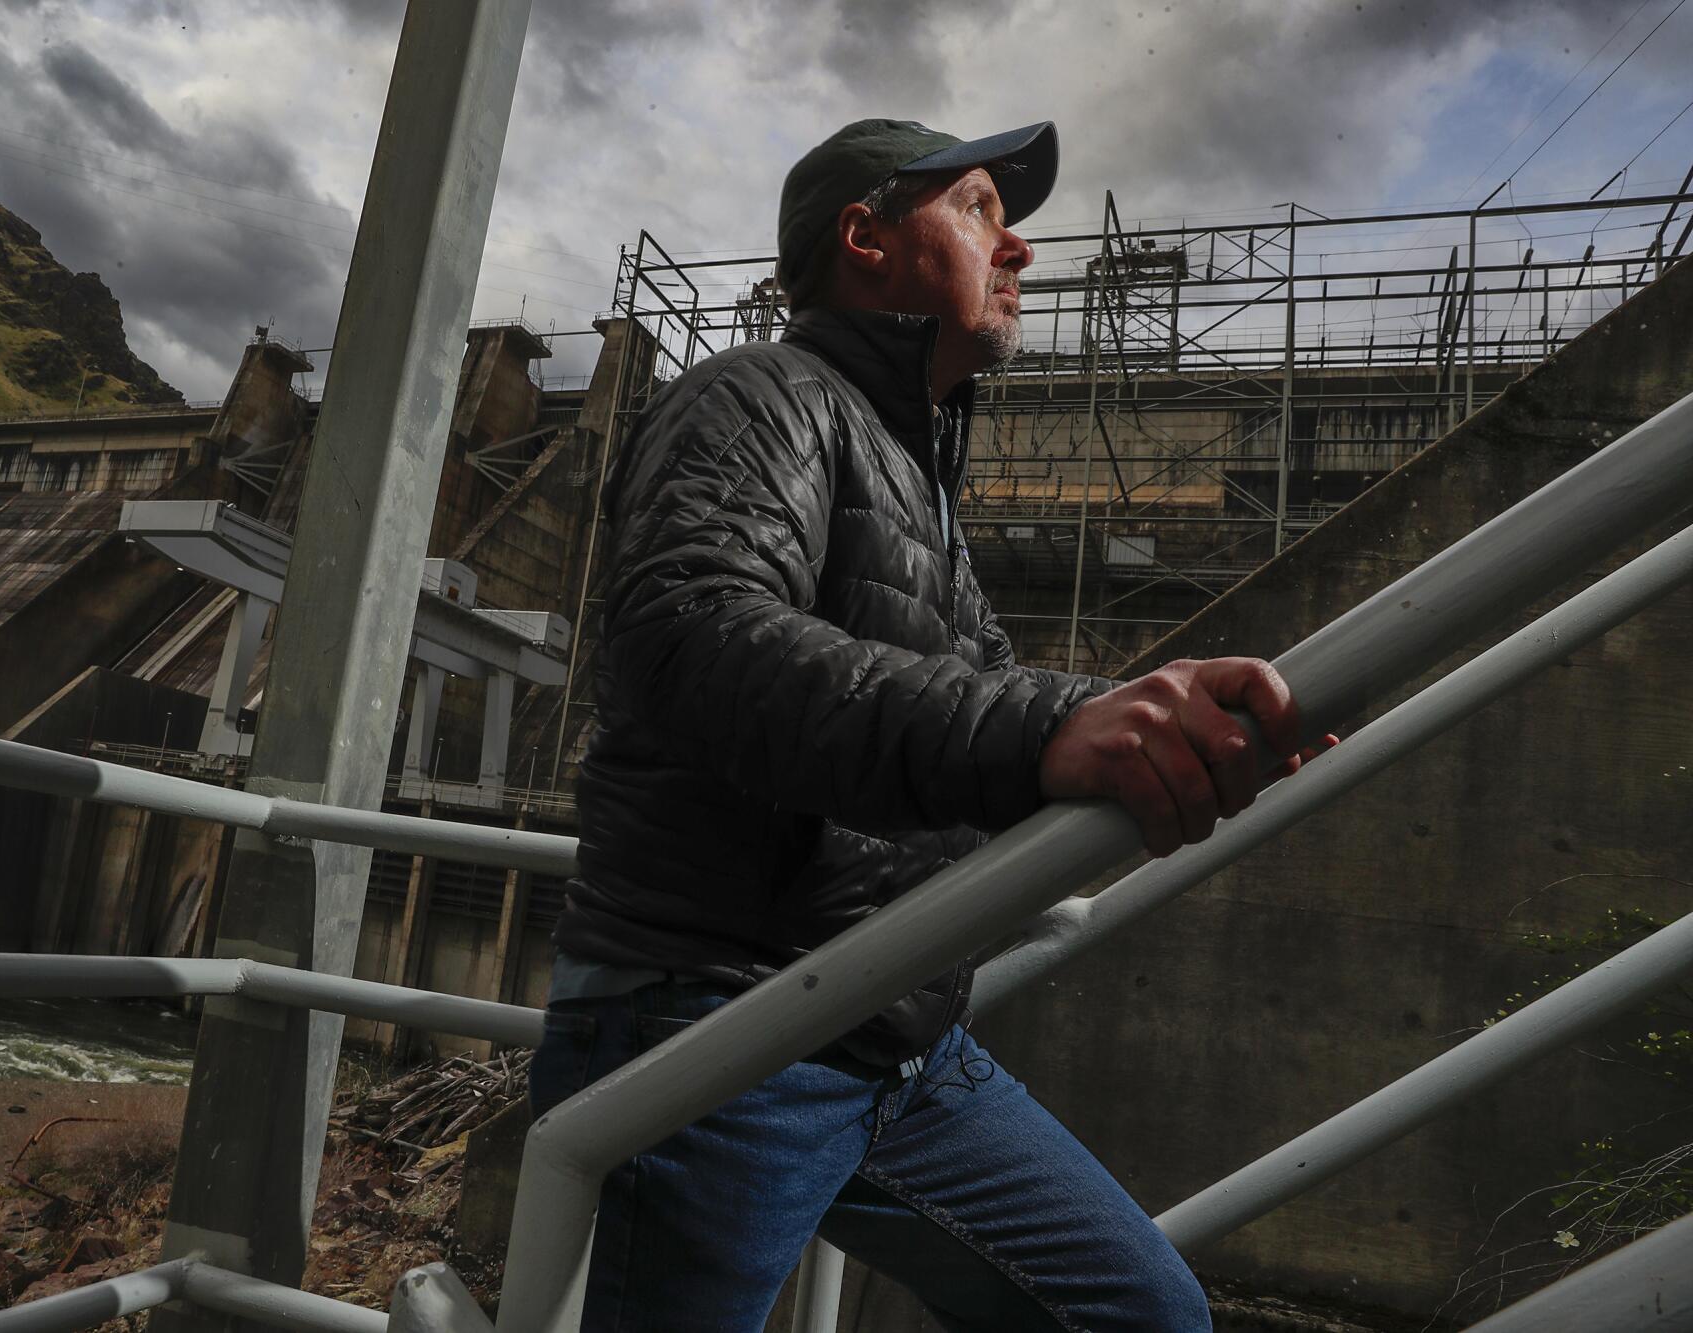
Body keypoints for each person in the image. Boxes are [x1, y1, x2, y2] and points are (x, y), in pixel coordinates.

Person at [531, 118, 1316, 1333]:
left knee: (1146, 1315)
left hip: (896, 1032)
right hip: (723, 1024)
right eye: (979, 211)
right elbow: (687, 634)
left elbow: (997, 691)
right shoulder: (755, 398)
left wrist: (1157, 720)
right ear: (866, 237)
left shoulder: (911, 473)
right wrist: (1050, 726)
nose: (1022, 251)